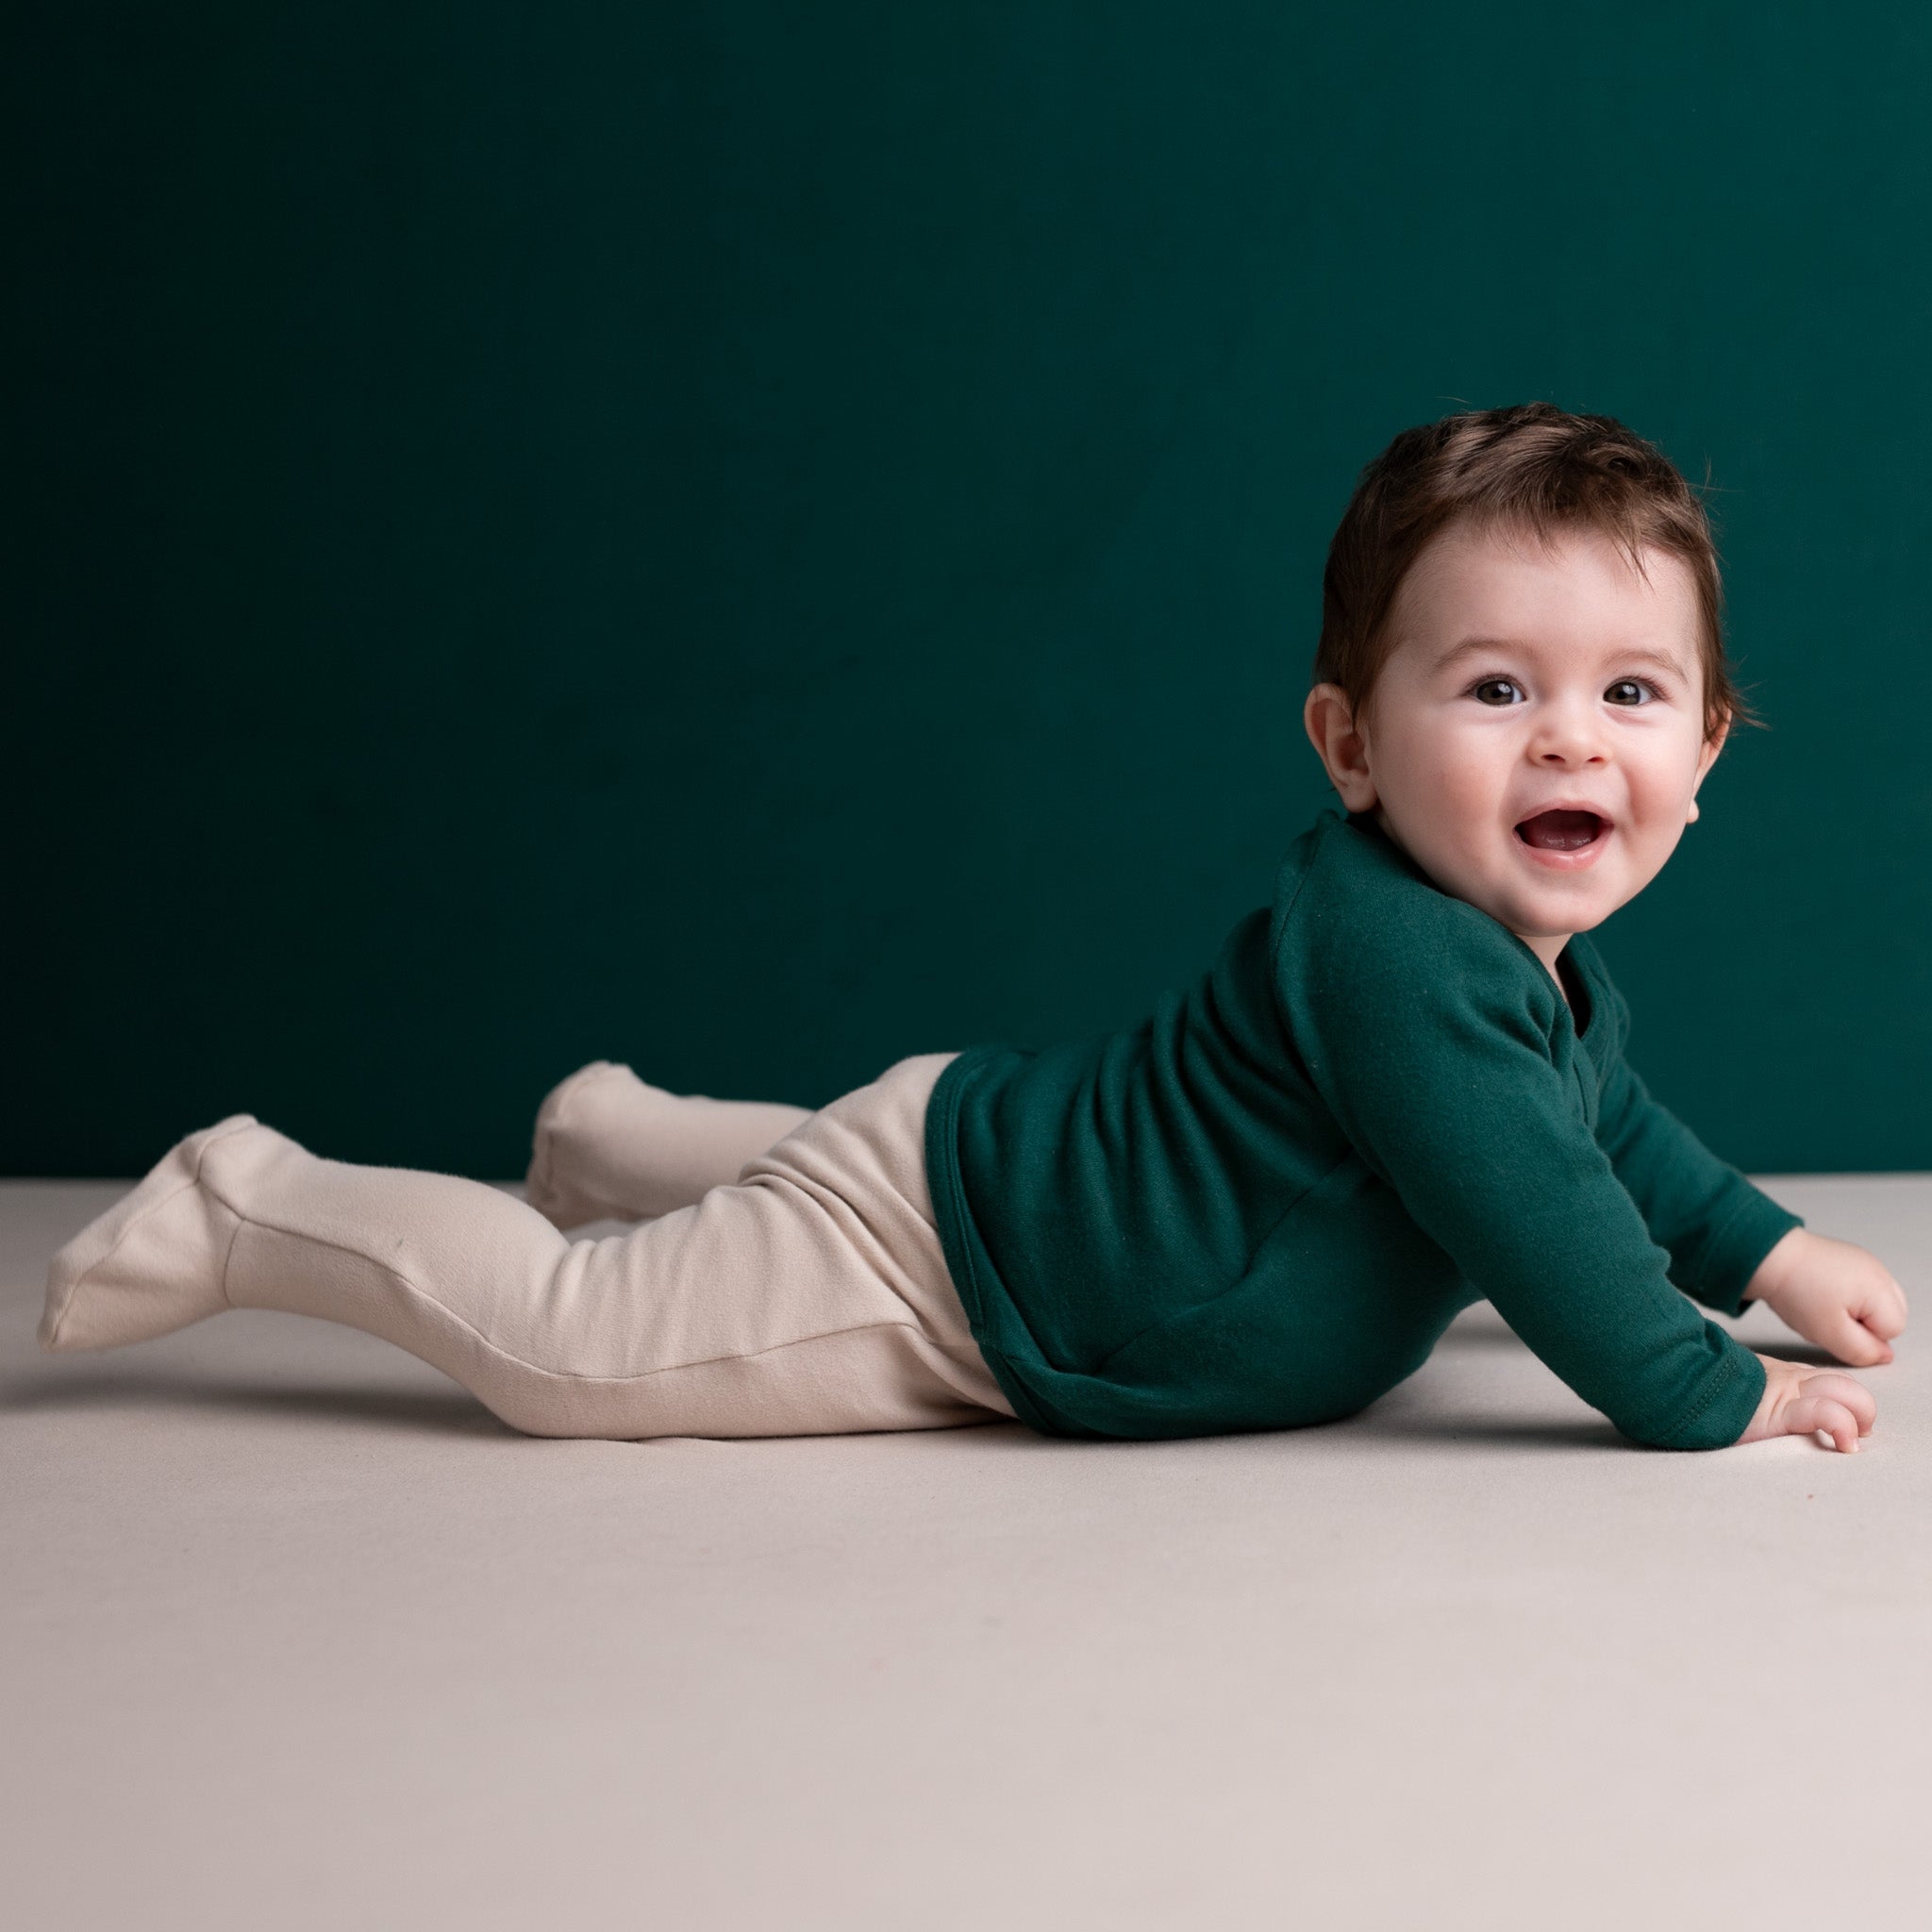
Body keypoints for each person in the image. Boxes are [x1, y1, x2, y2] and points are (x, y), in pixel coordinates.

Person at [39, 403, 1907, 1452]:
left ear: (1710, 748)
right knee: (571, 1351)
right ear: (1348, 742)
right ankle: (255, 1203)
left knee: (788, 1182)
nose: (1574, 734)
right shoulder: (1404, 957)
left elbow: (1608, 1137)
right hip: (972, 1271)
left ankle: (610, 1132)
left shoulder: (1527, 975)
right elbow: (1544, 1218)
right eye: (1494, 688)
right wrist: (1708, 1387)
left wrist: (1763, 1244)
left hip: (996, 1152)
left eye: (1634, 696)